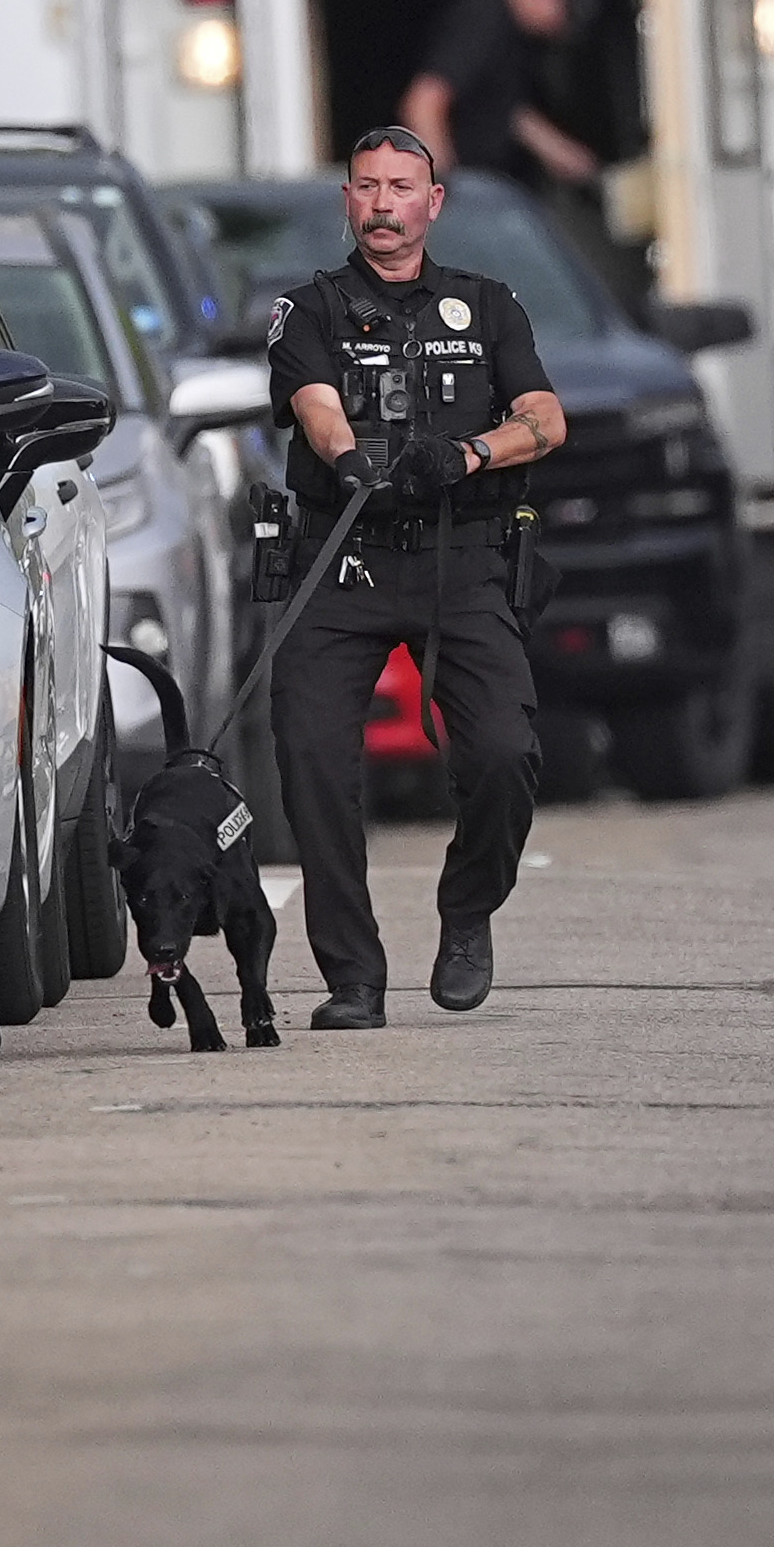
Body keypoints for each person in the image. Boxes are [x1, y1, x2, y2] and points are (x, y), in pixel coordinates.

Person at [263, 126, 569, 1029]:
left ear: (433, 204)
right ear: (346, 203)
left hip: (461, 558)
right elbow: (315, 407)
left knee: (504, 756)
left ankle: (467, 913)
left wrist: (470, 454)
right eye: (366, 188)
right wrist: (351, 458)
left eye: (401, 187)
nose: (383, 204)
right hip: (341, 556)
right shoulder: (307, 310)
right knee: (312, 759)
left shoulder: (488, 305)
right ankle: (352, 979)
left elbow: (545, 419)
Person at [397, 0, 601, 186]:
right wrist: (443, 185)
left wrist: (564, 154)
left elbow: (506, 110)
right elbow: (423, 102)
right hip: (443, 179)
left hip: (482, 174)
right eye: (564, 21)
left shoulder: (515, 34)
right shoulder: (483, 17)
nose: (556, 33)